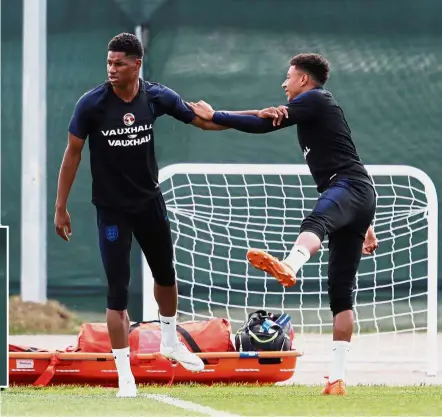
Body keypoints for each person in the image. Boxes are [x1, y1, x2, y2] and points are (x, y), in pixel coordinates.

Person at [189, 53, 379, 396]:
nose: (284, 83)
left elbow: (263, 124)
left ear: (304, 80)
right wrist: (366, 224)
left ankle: (289, 265)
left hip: (347, 187)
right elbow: (263, 117)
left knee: (316, 220)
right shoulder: (314, 106)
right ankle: (336, 379)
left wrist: (215, 115)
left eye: (288, 77)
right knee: (340, 293)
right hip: (359, 197)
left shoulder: (315, 99)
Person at [54, 33, 227, 398]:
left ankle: (169, 341)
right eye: (108, 63)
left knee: (166, 275)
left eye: (119, 63)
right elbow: (72, 154)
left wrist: (255, 118)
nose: (111, 70)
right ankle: (125, 376)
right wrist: (60, 207)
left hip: (149, 203)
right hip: (112, 211)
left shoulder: (156, 96)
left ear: (137, 64)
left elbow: (203, 120)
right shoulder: (91, 104)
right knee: (117, 292)